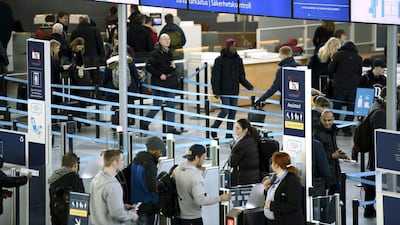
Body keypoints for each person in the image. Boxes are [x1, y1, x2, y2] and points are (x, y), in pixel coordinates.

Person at [174, 144, 232, 225]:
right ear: (197, 158)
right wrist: (220, 198)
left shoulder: (177, 170)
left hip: (178, 217)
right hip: (192, 218)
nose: (204, 161)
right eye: (203, 158)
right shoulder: (195, 176)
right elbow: (200, 200)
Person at [211, 38, 254, 139]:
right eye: (232, 46)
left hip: (234, 90)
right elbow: (215, 77)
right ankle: (214, 127)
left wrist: (248, 86)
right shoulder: (219, 60)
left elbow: (241, 76)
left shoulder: (238, 60)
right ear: (227, 47)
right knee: (225, 110)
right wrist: (216, 91)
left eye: (235, 46)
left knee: (232, 112)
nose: (234, 48)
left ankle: (229, 133)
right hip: (224, 90)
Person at [118, 136, 165, 225]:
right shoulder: (150, 165)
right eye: (160, 151)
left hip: (135, 204)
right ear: (154, 150)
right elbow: (151, 186)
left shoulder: (136, 161)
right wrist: (157, 203)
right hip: (147, 206)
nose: (160, 154)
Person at [143, 33, 182, 134]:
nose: (167, 41)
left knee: (171, 104)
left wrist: (173, 67)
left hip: (169, 82)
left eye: (168, 39)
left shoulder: (169, 52)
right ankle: (145, 122)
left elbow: (170, 66)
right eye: (165, 39)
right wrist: (159, 74)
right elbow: (148, 66)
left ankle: (170, 128)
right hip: (159, 83)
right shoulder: (155, 53)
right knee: (157, 105)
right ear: (160, 41)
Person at [90, 149, 139, 225]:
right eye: (122, 160)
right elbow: (117, 213)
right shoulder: (113, 185)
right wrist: (132, 215)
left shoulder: (96, 179)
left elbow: (101, 204)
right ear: (114, 163)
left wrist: (122, 206)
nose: (123, 163)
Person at [328, 41, 362, 136]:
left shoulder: (338, 55)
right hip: (353, 87)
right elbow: (359, 72)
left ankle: (334, 129)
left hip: (340, 86)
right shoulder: (358, 58)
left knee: (336, 108)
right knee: (351, 109)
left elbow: (330, 69)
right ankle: (346, 129)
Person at [363, 87, 386, 218]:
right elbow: (380, 135)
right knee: (373, 178)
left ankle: (369, 207)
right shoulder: (380, 112)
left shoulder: (376, 106)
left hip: (374, 152)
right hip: (377, 153)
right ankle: (369, 208)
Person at [313, 110, 349, 194]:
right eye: (324, 120)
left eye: (329, 120)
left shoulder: (333, 130)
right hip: (324, 172)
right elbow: (316, 153)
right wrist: (332, 155)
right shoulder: (316, 133)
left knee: (336, 195)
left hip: (334, 170)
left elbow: (332, 147)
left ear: (333, 119)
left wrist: (340, 154)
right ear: (320, 119)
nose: (327, 123)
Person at [263, 152, 304, 225]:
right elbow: (275, 195)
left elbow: (294, 205)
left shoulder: (291, 181)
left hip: (286, 221)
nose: (271, 165)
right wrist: (266, 189)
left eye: (272, 162)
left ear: (276, 165)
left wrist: (271, 205)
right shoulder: (276, 178)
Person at [48, 153, 85, 225]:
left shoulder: (54, 179)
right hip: (71, 220)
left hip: (56, 219)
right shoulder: (74, 178)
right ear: (75, 164)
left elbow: (52, 204)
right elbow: (81, 203)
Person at [70, 15, 105, 85]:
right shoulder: (95, 30)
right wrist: (102, 57)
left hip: (81, 57)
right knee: (95, 77)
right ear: (88, 21)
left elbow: (72, 46)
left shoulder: (75, 31)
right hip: (94, 57)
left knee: (84, 77)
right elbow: (100, 44)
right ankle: (95, 92)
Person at [228, 118, 260, 186]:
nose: (235, 130)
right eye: (235, 128)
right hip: (254, 175)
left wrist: (234, 145)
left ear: (245, 130)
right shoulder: (252, 139)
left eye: (238, 128)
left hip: (244, 178)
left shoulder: (241, 144)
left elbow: (232, 162)